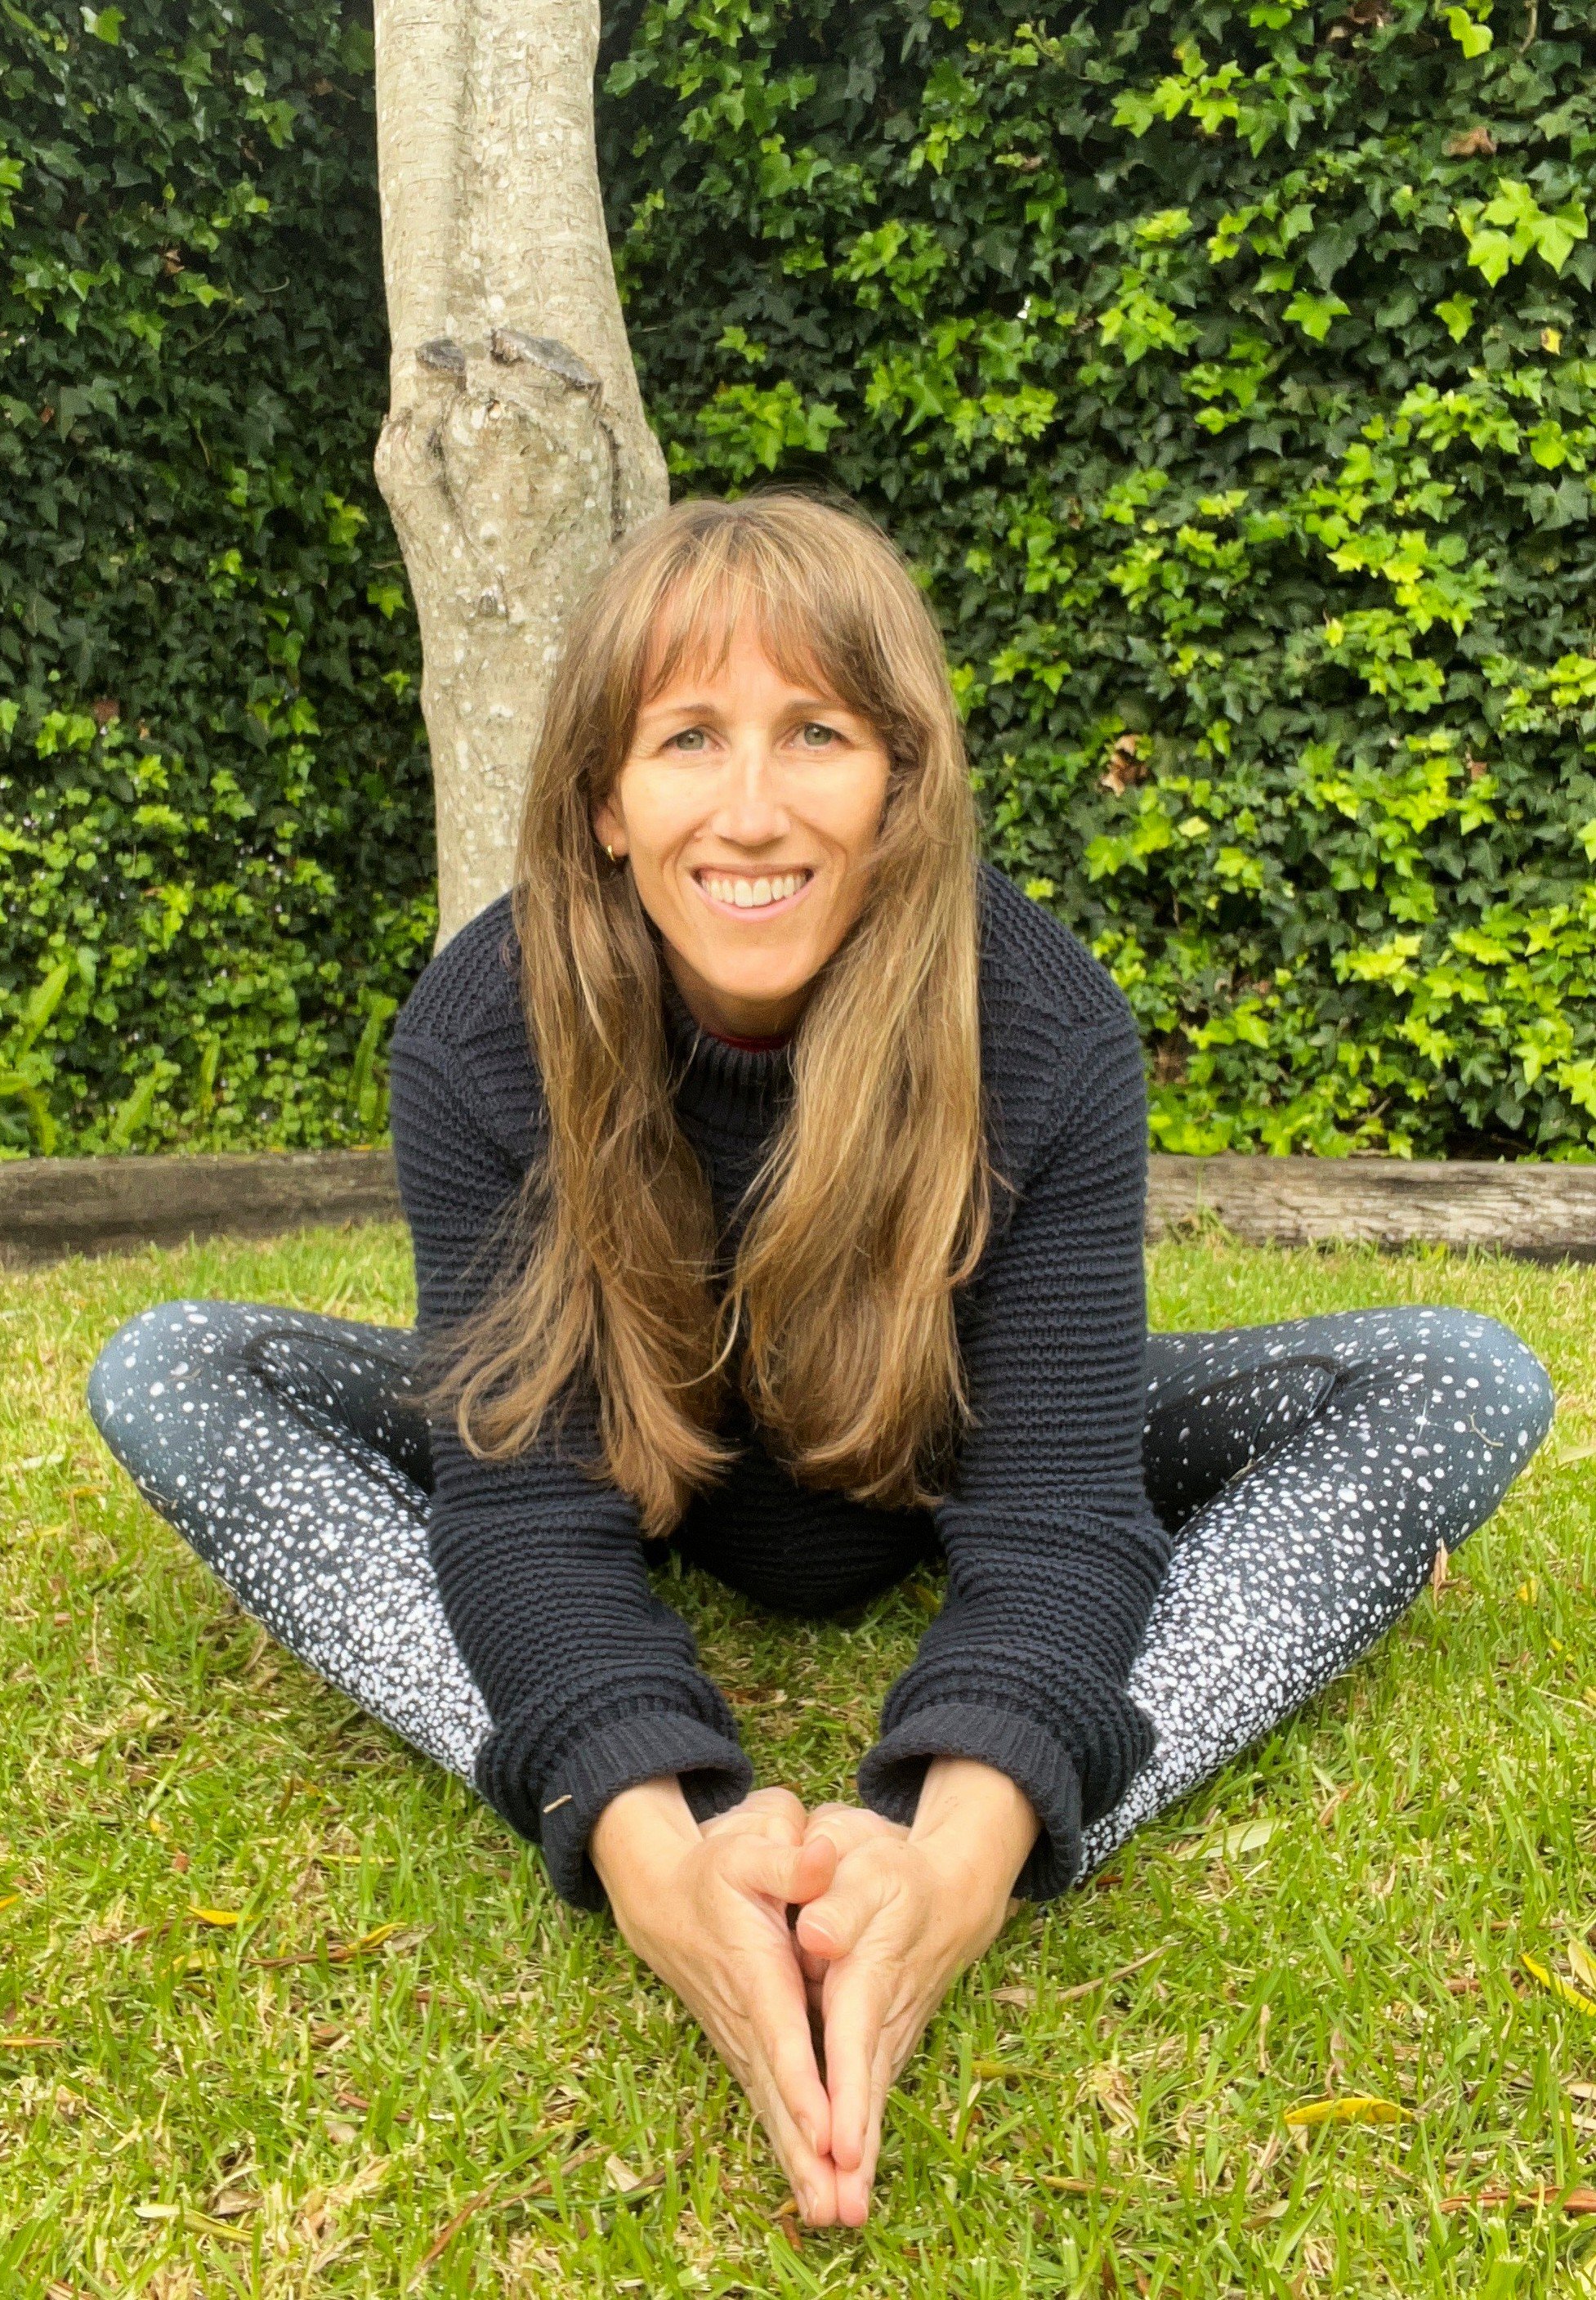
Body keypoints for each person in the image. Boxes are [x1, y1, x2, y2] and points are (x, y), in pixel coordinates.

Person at [87, 494, 1554, 2228]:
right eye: (686, 739)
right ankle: (561, 1758)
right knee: (174, 1367)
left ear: (900, 782)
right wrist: (649, 1840)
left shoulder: (1044, 1024)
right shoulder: (480, 1026)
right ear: (603, 801)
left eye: (816, 735)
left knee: (1459, 1378)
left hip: (951, 1428)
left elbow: (1055, 1519)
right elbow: (524, 1508)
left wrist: (953, 1860)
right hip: (627, 1441)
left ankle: (1047, 1782)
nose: (751, 810)